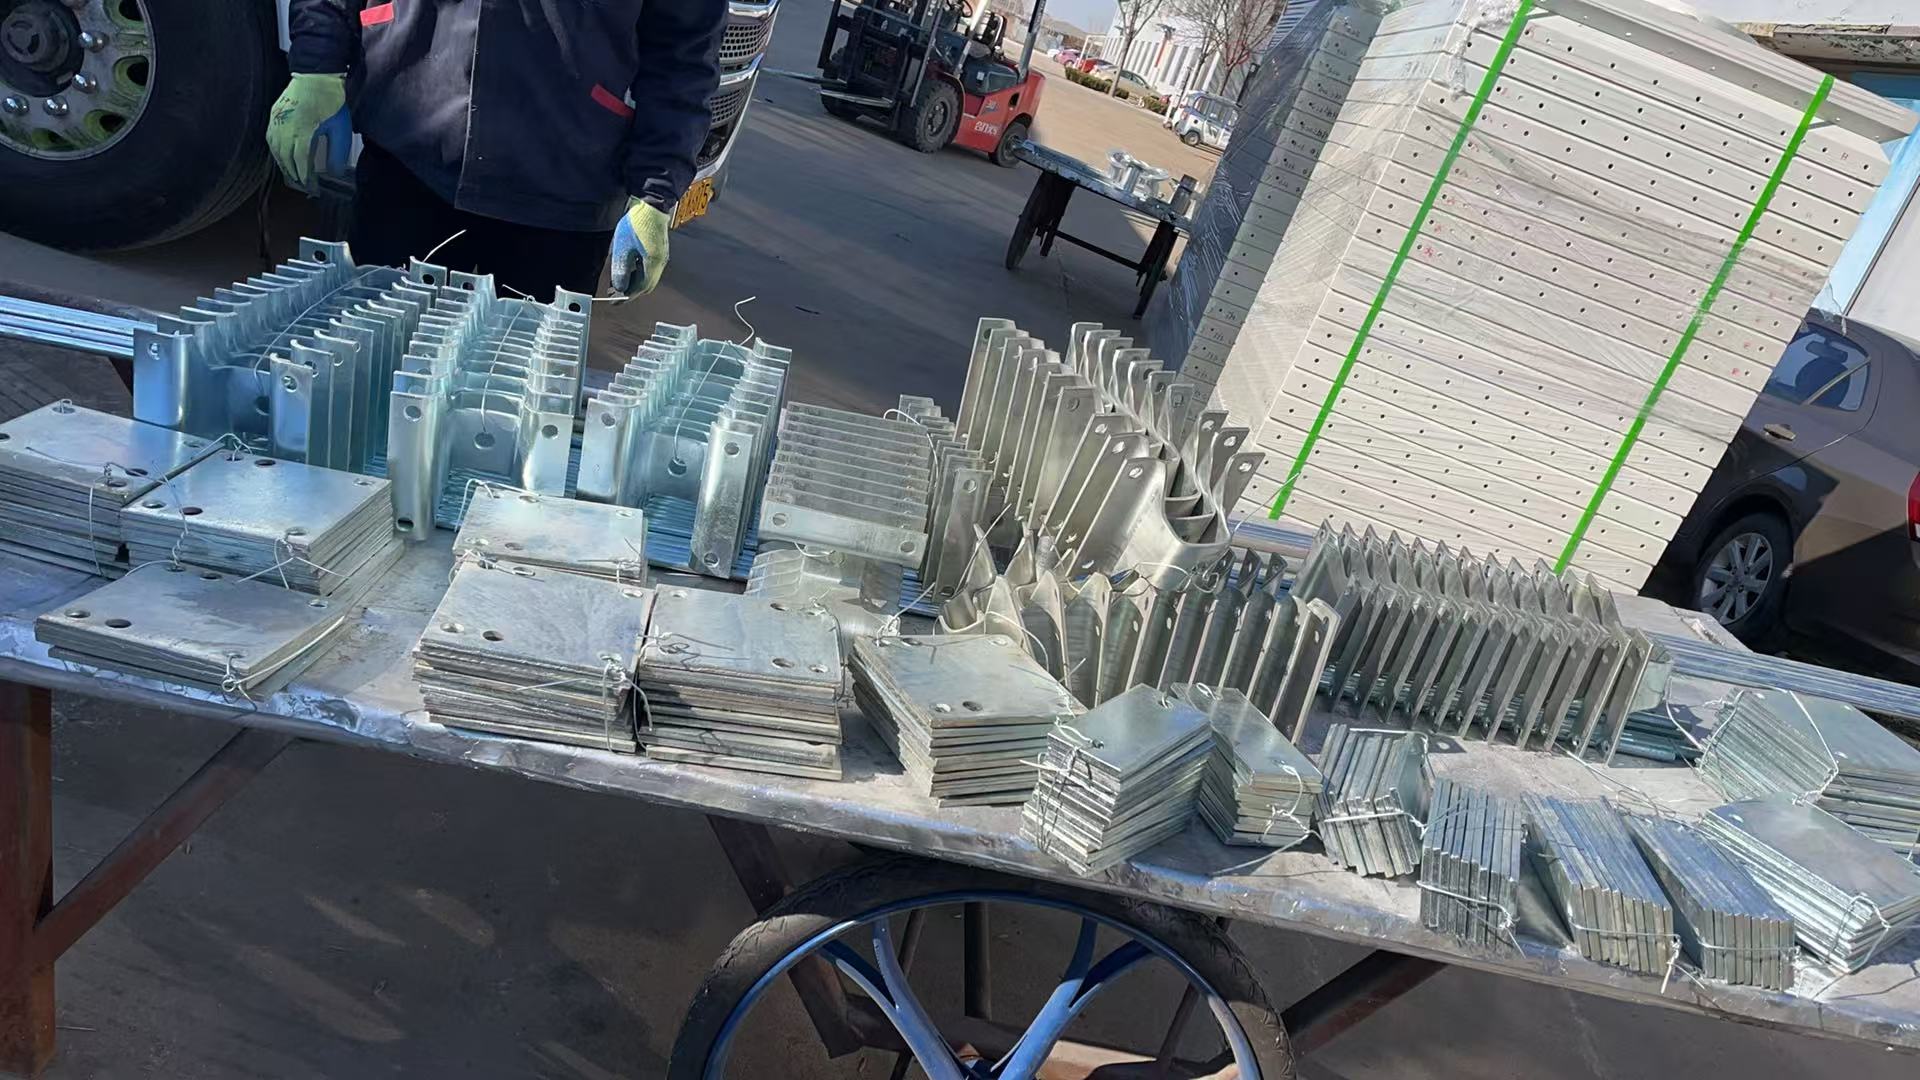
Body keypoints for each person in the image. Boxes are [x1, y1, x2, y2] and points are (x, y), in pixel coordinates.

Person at [265, 0, 729, 300]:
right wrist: (317, 69)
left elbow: (684, 52)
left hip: (562, 198)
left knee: (516, 401)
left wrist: (655, 191)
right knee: (374, 372)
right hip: (409, 162)